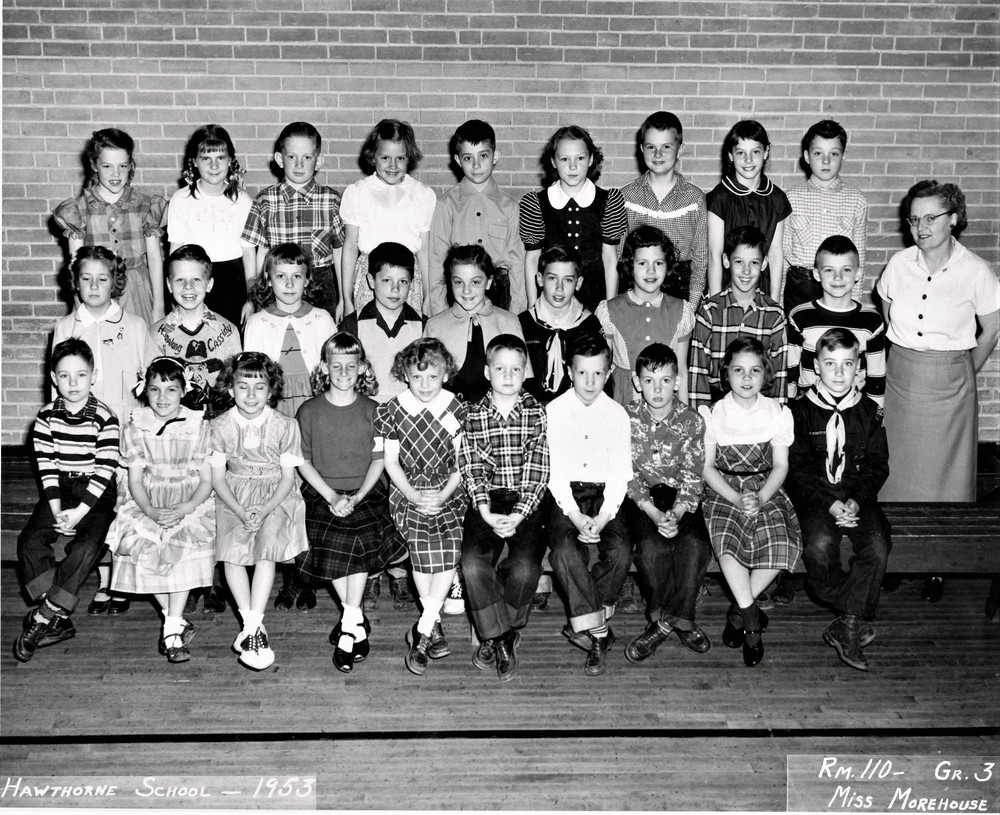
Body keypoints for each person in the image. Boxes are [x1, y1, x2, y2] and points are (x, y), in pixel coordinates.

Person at [876, 180, 1000, 603]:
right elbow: (890, 316)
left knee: (947, 478)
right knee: (896, 474)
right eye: (914, 219)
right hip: (902, 378)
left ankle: (937, 566)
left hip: (952, 382)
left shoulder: (976, 270)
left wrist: (960, 372)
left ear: (954, 219)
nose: (921, 226)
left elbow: (990, 330)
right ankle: (894, 559)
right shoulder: (898, 265)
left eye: (931, 217)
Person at [295, 332, 406, 673]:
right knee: (331, 538)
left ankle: (348, 627)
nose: (343, 372)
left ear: (362, 368)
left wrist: (357, 497)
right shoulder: (309, 410)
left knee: (357, 537)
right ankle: (355, 620)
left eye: (351, 365)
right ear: (324, 368)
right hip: (323, 492)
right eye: (336, 365)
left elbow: (379, 461)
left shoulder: (374, 410)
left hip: (366, 492)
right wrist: (331, 496)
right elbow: (303, 461)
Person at [53, 245, 148, 616]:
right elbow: (56, 392)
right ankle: (105, 580)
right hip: (82, 439)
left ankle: (122, 578)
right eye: (86, 278)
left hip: (125, 434)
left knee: (124, 504)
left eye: (103, 279)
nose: (94, 286)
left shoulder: (135, 326)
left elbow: (150, 382)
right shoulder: (65, 327)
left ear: (115, 282)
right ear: (75, 282)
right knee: (96, 508)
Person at [787, 328, 890, 672]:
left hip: (858, 497)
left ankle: (846, 624)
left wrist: (856, 502)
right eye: (830, 363)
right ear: (816, 366)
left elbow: (877, 466)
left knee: (877, 546)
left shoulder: (870, 411)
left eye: (848, 363)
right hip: (817, 498)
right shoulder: (800, 412)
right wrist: (832, 504)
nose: (839, 372)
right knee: (819, 545)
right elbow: (797, 470)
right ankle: (852, 610)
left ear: (859, 366)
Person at [13, 339, 120, 662]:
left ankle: (44, 615)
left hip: (96, 493)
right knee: (30, 540)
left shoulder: (105, 417)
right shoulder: (46, 417)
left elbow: (105, 469)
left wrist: (79, 514)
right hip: (59, 488)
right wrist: (59, 510)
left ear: (94, 376)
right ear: (53, 378)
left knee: (87, 546)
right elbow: (46, 467)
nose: (73, 383)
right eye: (64, 376)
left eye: (81, 375)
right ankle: (58, 617)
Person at [104, 358, 216, 663]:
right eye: (154, 389)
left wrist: (188, 507)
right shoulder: (136, 426)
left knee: (180, 549)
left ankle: (170, 630)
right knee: (141, 545)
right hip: (148, 499)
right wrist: (150, 511)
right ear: (145, 391)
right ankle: (173, 620)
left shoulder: (198, 425)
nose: (162, 397)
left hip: (189, 498)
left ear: (184, 390)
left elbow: (206, 479)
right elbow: (134, 480)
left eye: (171, 389)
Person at [699, 338, 801, 667]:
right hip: (725, 489)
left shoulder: (777, 413)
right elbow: (707, 467)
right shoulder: (714, 413)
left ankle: (738, 611)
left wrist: (761, 497)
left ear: (766, 374)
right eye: (738, 370)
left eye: (755, 371)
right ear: (726, 373)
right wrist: (734, 497)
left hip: (764, 487)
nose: (746, 378)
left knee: (781, 542)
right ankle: (752, 622)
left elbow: (781, 465)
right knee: (728, 547)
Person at [458, 334, 550, 682]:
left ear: (526, 372)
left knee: (526, 568)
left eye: (515, 369)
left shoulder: (536, 412)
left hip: (527, 502)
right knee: (472, 563)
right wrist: (484, 510)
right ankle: (502, 637)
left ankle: (498, 632)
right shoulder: (473, 414)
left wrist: (519, 514)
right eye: (500, 369)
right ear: (487, 372)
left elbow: (538, 470)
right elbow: (472, 467)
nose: (508, 376)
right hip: (487, 501)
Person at [209, 352, 309, 671]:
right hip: (233, 493)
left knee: (266, 550)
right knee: (232, 553)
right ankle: (253, 626)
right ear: (230, 389)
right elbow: (217, 478)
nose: (251, 395)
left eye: (259, 387)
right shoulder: (218, 426)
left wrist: (264, 509)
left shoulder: (285, 425)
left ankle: (252, 626)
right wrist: (240, 511)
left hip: (275, 494)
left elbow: (288, 478)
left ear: (271, 390)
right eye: (243, 386)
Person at [338, 241, 423, 613]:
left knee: (401, 498)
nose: (394, 289)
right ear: (370, 281)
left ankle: (400, 571)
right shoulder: (354, 323)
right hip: (367, 424)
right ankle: (371, 571)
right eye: (386, 280)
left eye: (402, 282)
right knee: (371, 498)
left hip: (408, 426)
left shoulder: (421, 324)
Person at [374, 339, 468, 676]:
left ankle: (425, 627)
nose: (425, 385)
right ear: (405, 375)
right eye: (417, 377)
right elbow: (390, 463)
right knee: (421, 543)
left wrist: (441, 496)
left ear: (446, 374)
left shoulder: (456, 408)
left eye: (432, 377)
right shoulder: (393, 409)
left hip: (448, 488)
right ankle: (432, 623)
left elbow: (461, 464)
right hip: (408, 489)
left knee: (450, 542)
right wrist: (415, 496)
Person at [546, 335, 632, 676]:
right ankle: (599, 632)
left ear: (609, 373)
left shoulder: (617, 414)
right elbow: (554, 473)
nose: (590, 381)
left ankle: (588, 618)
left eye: (598, 373)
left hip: (606, 496)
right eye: (582, 373)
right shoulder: (554, 411)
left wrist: (604, 516)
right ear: (570, 371)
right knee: (564, 552)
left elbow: (620, 474)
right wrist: (575, 515)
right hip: (565, 496)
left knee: (621, 549)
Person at [622, 344, 714, 663]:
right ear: (637, 383)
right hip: (642, 499)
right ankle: (678, 620)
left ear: (677, 381)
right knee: (651, 549)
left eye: (665, 380)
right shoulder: (626, 418)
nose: (657, 389)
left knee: (696, 547)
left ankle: (662, 625)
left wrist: (676, 512)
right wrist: (653, 512)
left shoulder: (692, 421)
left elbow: (693, 475)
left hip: (680, 499)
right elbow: (627, 474)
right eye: (649, 381)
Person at [54, 128, 166, 325]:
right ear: (94, 165)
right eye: (107, 166)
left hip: (137, 293)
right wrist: (80, 308)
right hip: (94, 291)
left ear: (130, 165)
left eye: (123, 166)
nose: (116, 174)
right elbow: (75, 265)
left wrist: (158, 306)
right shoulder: (78, 210)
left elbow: (155, 259)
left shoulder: (146, 205)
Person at [241, 121, 343, 320]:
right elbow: (261, 253)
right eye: (291, 157)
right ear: (280, 159)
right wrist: (252, 299)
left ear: (318, 161)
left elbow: (339, 252)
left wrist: (344, 300)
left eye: (307, 157)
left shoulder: (331, 200)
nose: (299, 164)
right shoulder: (265, 200)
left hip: (321, 284)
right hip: (278, 282)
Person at [519, 125, 627, 313]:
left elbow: (610, 257)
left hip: (594, 297)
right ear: (553, 161)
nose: (573, 166)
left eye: (580, 158)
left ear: (591, 159)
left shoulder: (609, 201)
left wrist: (610, 306)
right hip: (552, 296)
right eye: (564, 159)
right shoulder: (536, 203)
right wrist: (532, 305)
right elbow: (532, 258)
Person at [429, 119, 526, 315]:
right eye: (468, 158)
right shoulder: (446, 204)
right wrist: (439, 311)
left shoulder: (510, 207)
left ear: (495, 156)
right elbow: (437, 261)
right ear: (458, 161)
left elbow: (517, 263)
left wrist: (517, 312)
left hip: (499, 292)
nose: (476, 165)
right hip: (459, 291)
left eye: (483, 156)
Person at [340, 119, 436, 317]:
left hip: (409, 280)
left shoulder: (422, 194)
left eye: (400, 158)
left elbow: (425, 250)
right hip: (370, 279)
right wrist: (346, 299)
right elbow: (350, 247)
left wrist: (428, 297)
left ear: (409, 158)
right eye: (385, 158)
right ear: (373, 156)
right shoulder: (358, 192)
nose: (393, 165)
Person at [688, 226, 789, 412]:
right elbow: (697, 371)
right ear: (726, 261)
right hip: (717, 405)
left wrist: (778, 417)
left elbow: (779, 375)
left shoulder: (774, 315)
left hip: (759, 407)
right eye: (739, 262)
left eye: (754, 263)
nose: (746, 271)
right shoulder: (709, 311)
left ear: (764, 264)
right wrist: (701, 418)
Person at [597, 225, 695, 406]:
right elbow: (603, 369)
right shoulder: (610, 310)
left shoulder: (680, 310)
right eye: (642, 263)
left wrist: (685, 414)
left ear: (668, 265)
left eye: (658, 263)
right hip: (623, 403)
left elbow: (681, 370)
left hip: (666, 406)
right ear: (630, 265)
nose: (651, 271)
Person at [619, 111, 708, 311]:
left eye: (666, 147)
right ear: (641, 149)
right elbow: (618, 256)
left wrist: (691, 308)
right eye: (651, 147)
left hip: (679, 290)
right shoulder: (626, 197)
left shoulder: (695, 199)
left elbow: (701, 259)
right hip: (636, 288)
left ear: (680, 149)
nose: (658, 154)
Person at [167, 124, 253, 329]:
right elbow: (175, 253)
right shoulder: (181, 199)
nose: (214, 166)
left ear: (230, 160)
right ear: (194, 161)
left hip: (233, 282)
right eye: (206, 158)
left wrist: (251, 299)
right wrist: (173, 297)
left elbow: (249, 254)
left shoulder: (243, 200)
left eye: (220, 158)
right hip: (193, 280)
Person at [787, 235, 886, 405]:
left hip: (854, 407)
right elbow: (790, 369)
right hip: (810, 407)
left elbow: (876, 376)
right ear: (817, 274)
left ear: (858, 273)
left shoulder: (872, 321)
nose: (838, 277)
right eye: (829, 270)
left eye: (846, 270)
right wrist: (790, 407)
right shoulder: (800, 316)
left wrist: (875, 413)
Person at [145, 244, 242, 417]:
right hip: (175, 420)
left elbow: (236, 385)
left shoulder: (228, 331)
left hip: (219, 419)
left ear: (209, 284)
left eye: (196, 279)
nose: (188, 287)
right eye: (179, 280)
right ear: (169, 285)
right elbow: (152, 388)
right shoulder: (156, 334)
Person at [783, 119, 868, 314]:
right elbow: (782, 256)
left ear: (843, 156)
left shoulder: (856, 200)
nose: (826, 161)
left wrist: (854, 305)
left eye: (834, 154)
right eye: (818, 153)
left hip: (838, 287)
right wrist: (779, 305)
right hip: (800, 288)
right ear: (807, 156)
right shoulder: (791, 198)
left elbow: (859, 261)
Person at [424, 244, 525, 405]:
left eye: (475, 282)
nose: (466, 291)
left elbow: (523, 382)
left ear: (488, 282)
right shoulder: (435, 326)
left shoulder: (510, 322)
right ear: (450, 283)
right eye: (458, 282)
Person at [244, 243, 337, 419]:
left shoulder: (322, 319)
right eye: (281, 276)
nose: (289, 284)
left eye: (297, 276)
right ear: (269, 279)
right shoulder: (256, 323)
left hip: (315, 403)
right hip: (274, 405)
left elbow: (334, 366)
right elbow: (251, 376)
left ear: (307, 279)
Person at [706, 120, 791, 301]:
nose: (748, 160)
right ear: (730, 155)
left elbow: (775, 254)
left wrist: (775, 303)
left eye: (755, 152)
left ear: (766, 152)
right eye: (741, 153)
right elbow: (714, 254)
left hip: (762, 290)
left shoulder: (777, 198)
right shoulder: (720, 197)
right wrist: (715, 303)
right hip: (726, 290)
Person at [519, 244, 604, 406]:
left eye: (568, 280)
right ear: (540, 279)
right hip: (529, 410)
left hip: (575, 410)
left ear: (578, 283)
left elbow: (600, 378)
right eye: (552, 278)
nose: (559, 288)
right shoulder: (523, 323)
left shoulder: (589, 325)